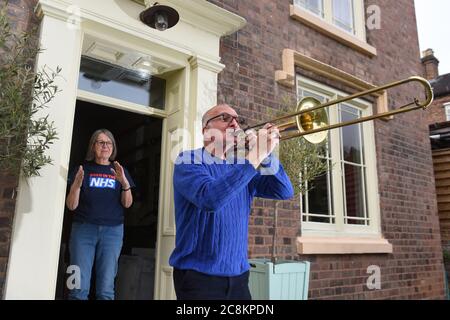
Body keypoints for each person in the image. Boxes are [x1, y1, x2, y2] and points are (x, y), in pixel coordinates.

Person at [169, 104, 294, 300]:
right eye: (225, 117)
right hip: (198, 278)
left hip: (239, 277)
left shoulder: (242, 167)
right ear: (205, 130)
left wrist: (267, 155)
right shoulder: (188, 160)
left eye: (237, 120)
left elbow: (284, 191)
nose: (235, 123)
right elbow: (210, 199)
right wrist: (255, 155)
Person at [66, 129, 135, 300]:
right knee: (77, 288)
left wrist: (125, 183)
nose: (105, 146)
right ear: (93, 146)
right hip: (83, 230)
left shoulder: (120, 171)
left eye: (108, 143)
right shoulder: (82, 170)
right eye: (100, 142)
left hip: (112, 232)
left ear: (113, 147)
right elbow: (71, 206)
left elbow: (127, 204)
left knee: (106, 289)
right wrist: (76, 185)